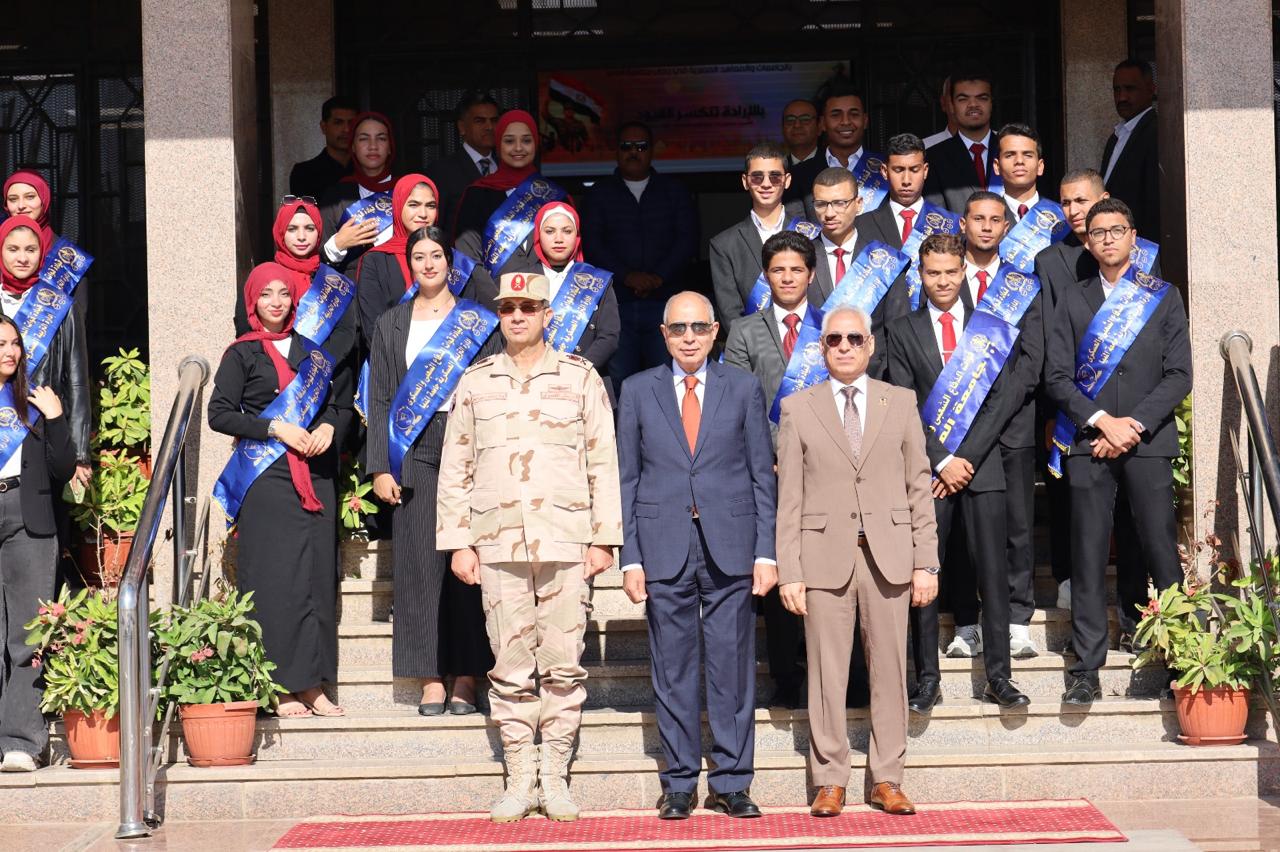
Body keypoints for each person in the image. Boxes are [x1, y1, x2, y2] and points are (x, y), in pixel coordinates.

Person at [436, 272, 622, 823]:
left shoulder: (580, 377)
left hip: (566, 541)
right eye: (508, 308)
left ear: (547, 315)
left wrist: (604, 537)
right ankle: (520, 776)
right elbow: (456, 466)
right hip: (497, 543)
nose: (517, 316)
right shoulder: (477, 381)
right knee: (510, 666)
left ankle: (555, 774)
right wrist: (458, 542)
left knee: (563, 664)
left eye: (528, 307)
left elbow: (602, 459)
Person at [617, 291, 776, 820]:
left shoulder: (743, 387)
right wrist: (630, 557)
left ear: (714, 333)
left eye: (699, 328)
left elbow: (761, 475)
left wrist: (766, 551)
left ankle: (732, 781)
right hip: (662, 546)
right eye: (679, 328)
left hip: (731, 546)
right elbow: (627, 479)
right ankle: (680, 782)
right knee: (673, 670)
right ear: (664, 334)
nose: (689, 337)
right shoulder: (637, 390)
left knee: (732, 667)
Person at [775, 305, 938, 817]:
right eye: (834, 340)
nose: (844, 347)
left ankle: (887, 778)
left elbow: (919, 485)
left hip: (890, 557)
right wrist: (790, 570)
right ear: (821, 348)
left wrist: (926, 562)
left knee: (890, 669)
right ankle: (830, 779)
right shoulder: (797, 408)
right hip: (823, 556)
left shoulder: (901, 401)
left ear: (870, 345)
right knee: (826, 674)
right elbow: (789, 497)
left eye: (853, 338)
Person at [1044, 198, 1190, 706]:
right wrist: (1103, 420)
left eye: (1116, 230)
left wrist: (1134, 425)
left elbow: (1180, 374)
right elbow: (1056, 376)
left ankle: (1182, 660)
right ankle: (1086, 666)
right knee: (1087, 554)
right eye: (1098, 232)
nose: (1107, 239)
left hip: (1147, 441)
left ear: (1133, 237)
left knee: (1160, 549)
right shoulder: (1071, 298)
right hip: (1089, 441)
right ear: (1087, 242)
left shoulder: (1162, 296)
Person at [884, 233, 1030, 712]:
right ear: (920, 275)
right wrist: (942, 460)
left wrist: (964, 457)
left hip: (982, 468)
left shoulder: (989, 328)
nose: (943, 281)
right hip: (929, 473)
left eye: (951, 271)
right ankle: (927, 679)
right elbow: (902, 403)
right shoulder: (901, 331)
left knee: (993, 573)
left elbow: (1002, 399)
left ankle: (999, 677)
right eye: (933, 273)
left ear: (964, 270)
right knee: (926, 573)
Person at [365, 226, 500, 716]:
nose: (428, 264)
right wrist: (380, 466)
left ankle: (465, 675)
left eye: (436, 255)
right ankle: (428, 677)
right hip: (414, 446)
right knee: (419, 565)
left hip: (469, 442)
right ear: (410, 264)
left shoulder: (477, 321)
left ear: (450, 262)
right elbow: (380, 397)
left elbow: (493, 387)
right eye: (419, 256)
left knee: (468, 564)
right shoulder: (391, 323)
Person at [210, 262, 352, 718]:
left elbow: (338, 405)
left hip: (315, 475)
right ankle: (278, 685)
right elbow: (219, 414)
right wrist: (274, 428)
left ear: (295, 299)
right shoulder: (242, 353)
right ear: (252, 302)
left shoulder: (314, 353)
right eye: (265, 294)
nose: (276, 301)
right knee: (275, 581)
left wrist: (329, 426)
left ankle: (313, 684)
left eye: (284, 293)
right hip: (266, 480)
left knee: (315, 579)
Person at [1035, 169, 1159, 641]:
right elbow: (1052, 345)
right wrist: (1066, 415)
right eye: (1065, 203)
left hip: (1134, 419)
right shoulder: (1051, 261)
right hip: (1079, 416)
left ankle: (1134, 620)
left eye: (1082, 201)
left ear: (1104, 199)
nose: (1073, 211)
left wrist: (1129, 421)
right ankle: (1086, 639)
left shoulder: (1142, 259)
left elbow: (1155, 345)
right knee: (1082, 526)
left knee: (1134, 526)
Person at [722, 230, 820, 709]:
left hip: (827, 469)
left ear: (811, 275)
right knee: (780, 567)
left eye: (796, 269)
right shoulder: (743, 331)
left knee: (825, 570)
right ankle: (786, 676)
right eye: (778, 270)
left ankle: (831, 671)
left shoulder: (833, 326)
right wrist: (775, 453)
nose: (787, 277)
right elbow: (739, 401)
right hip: (770, 469)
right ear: (766, 275)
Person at [955, 191, 1045, 661]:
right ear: (963, 223)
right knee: (961, 529)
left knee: (1017, 526)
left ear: (1006, 228)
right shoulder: (944, 278)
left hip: (1012, 424)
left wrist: (996, 410)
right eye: (978, 219)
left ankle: (1017, 619)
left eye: (995, 220)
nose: (987, 226)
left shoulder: (1022, 285)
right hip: (956, 423)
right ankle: (966, 621)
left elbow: (1032, 362)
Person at [0, 316, 76, 772]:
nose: (10, 351)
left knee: (27, 635)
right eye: (0, 344)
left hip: (28, 516)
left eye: (14, 343)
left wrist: (56, 416)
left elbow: (63, 467)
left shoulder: (33, 400)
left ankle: (22, 742)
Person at [582, 121, 698, 383]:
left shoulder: (674, 191)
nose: (633, 152)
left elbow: (687, 241)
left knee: (666, 379)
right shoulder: (599, 194)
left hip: (665, 303)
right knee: (620, 382)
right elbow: (592, 245)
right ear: (616, 151)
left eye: (641, 146)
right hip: (616, 305)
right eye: (627, 146)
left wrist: (658, 277)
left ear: (652, 151)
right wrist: (627, 276)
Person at [1, 175, 91, 488]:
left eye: (31, 249)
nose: (22, 257)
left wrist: (80, 451)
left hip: (43, 423)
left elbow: (76, 374)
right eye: (13, 249)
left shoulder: (60, 292)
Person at [356, 174, 497, 347]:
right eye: (413, 205)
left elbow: (479, 317)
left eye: (430, 206)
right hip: (392, 358)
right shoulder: (375, 261)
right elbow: (372, 329)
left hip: (451, 358)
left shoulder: (454, 260)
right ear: (398, 206)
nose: (423, 214)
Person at [495, 201, 620, 385]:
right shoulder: (521, 278)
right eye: (550, 231)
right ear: (538, 235)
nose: (559, 239)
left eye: (567, 231)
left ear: (577, 236)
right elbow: (508, 331)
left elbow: (609, 337)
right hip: (529, 380)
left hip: (585, 379)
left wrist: (575, 372)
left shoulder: (596, 280)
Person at [234, 198, 357, 367]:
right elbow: (245, 328)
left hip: (328, 374)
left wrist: (313, 369)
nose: (301, 237)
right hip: (272, 374)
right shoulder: (261, 278)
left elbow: (345, 332)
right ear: (280, 232)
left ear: (319, 232)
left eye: (309, 228)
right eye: (292, 229)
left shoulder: (333, 281)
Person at [709, 141, 809, 321]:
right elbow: (730, 314)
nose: (766, 184)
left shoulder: (809, 234)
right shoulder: (724, 244)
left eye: (775, 176)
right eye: (757, 177)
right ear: (745, 181)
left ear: (787, 181)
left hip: (806, 336)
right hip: (751, 338)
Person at [451, 109, 567, 250]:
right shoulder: (477, 194)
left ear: (535, 144)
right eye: (509, 141)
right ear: (498, 144)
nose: (518, 148)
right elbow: (467, 251)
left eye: (526, 141)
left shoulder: (552, 194)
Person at [318, 112, 397, 273]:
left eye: (381, 138)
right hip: (353, 286)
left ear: (390, 146)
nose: (373, 146)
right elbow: (319, 261)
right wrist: (338, 244)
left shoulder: (407, 192)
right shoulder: (336, 197)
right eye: (364, 139)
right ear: (353, 147)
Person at [787, 85, 875, 216]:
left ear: (865, 120)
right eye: (836, 115)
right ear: (822, 123)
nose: (845, 122)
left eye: (854, 114)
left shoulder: (884, 169)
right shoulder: (799, 174)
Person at [426, 91, 500, 235]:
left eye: (494, 120)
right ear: (462, 127)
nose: (489, 127)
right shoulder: (442, 171)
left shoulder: (506, 166)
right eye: (480, 121)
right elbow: (435, 227)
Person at [923, 71, 997, 213]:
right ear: (951, 105)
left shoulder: (1011, 151)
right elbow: (936, 216)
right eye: (963, 99)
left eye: (982, 98)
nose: (973, 104)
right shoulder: (934, 158)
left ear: (991, 103)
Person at [1103, 59, 1159, 242]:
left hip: (1140, 246)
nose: (1122, 97)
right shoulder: (1116, 136)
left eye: (1130, 89)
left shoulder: (1157, 133)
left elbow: (1155, 200)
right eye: (1117, 90)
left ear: (1151, 89)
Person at [288, 96, 358, 201]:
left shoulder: (368, 169)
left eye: (351, 123)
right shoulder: (305, 173)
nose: (347, 129)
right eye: (338, 122)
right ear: (324, 127)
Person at [992, 124, 1044, 224]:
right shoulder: (988, 218)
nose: (1019, 161)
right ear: (997, 166)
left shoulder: (1060, 217)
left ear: (1040, 166)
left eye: (1028, 155)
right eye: (1009, 155)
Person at [781, 99, 820, 169]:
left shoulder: (832, 163)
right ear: (782, 129)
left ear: (819, 126)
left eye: (805, 119)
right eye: (790, 120)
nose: (797, 125)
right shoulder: (778, 168)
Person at [922, 77, 957, 149]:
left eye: (979, 97)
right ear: (943, 102)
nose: (971, 104)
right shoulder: (922, 149)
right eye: (961, 98)